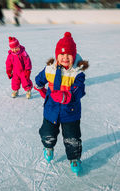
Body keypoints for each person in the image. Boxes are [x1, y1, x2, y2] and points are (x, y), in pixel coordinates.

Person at [34, 32, 89, 175]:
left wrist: (66, 96)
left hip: (70, 112)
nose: (65, 58)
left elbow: (79, 90)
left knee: (72, 137)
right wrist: (40, 88)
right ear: (57, 55)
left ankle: (74, 158)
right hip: (51, 109)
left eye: (69, 55)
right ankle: (48, 147)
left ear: (74, 56)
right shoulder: (50, 69)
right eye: (62, 55)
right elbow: (40, 79)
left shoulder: (77, 73)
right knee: (47, 133)